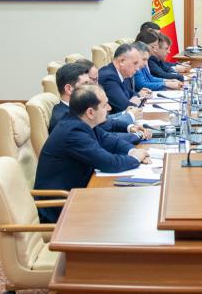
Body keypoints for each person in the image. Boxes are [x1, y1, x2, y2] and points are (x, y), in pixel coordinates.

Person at [33, 87, 147, 220]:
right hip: (61, 206)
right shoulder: (73, 132)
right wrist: (135, 158)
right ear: (91, 112)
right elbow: (109, 163)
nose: (109, 108)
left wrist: (133, 150)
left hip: (78, 192)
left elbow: (111, 141)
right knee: (124, 212)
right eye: (105, 105)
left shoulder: (81, 122)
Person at [50, 61, 145, 144]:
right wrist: (137, 135)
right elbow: (101, 140)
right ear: (69, 89)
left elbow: (106, 125)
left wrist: (130, 127)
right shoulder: (63, 119)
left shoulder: (77, 109)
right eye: (86, 84)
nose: (92, 87)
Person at [96, 43, 148, 112]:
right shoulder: (109, 78)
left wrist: (135, 98)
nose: (137, 69)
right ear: (122, 61)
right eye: (135, 63)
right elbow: (126, 107)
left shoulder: (122, 74)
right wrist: (134, 101)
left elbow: (133, 93)